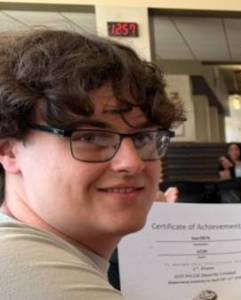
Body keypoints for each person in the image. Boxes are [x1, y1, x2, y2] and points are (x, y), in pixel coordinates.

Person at [0, 30, 184, 298]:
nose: (132, 163)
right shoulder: (27, 271)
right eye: (90, 137)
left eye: (143, 137)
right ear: (9, 151)